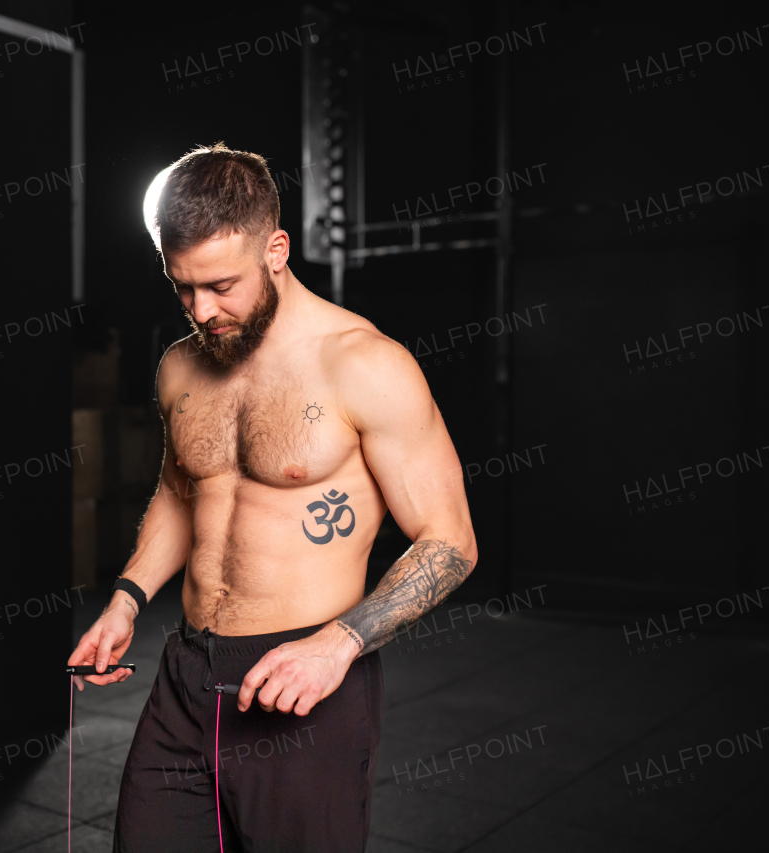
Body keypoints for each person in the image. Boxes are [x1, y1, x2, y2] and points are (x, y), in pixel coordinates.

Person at [67, 142, 478, 853]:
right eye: (182, 286)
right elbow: (180, 492)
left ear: (276, 248)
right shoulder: (180, 365)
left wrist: (338, 642)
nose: (202, 309)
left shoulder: (366, 364)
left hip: (307, 683)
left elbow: (451, 542)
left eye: (221, 284)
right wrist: (127, 597)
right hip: (187, 674)